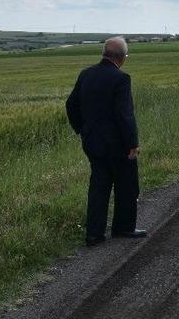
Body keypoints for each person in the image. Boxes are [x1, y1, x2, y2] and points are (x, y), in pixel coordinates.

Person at [66, 36, 145, 246]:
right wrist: (132, 143)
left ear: (104, 54)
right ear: (122, 58)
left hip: (92, 143)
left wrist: (82, 130)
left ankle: (94, 233)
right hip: (118, 146)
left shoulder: (86, 74)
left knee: (99, 187)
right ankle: (123, 228)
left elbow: (71, 105)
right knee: (127, 186)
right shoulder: (121, 79)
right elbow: (124, 115)